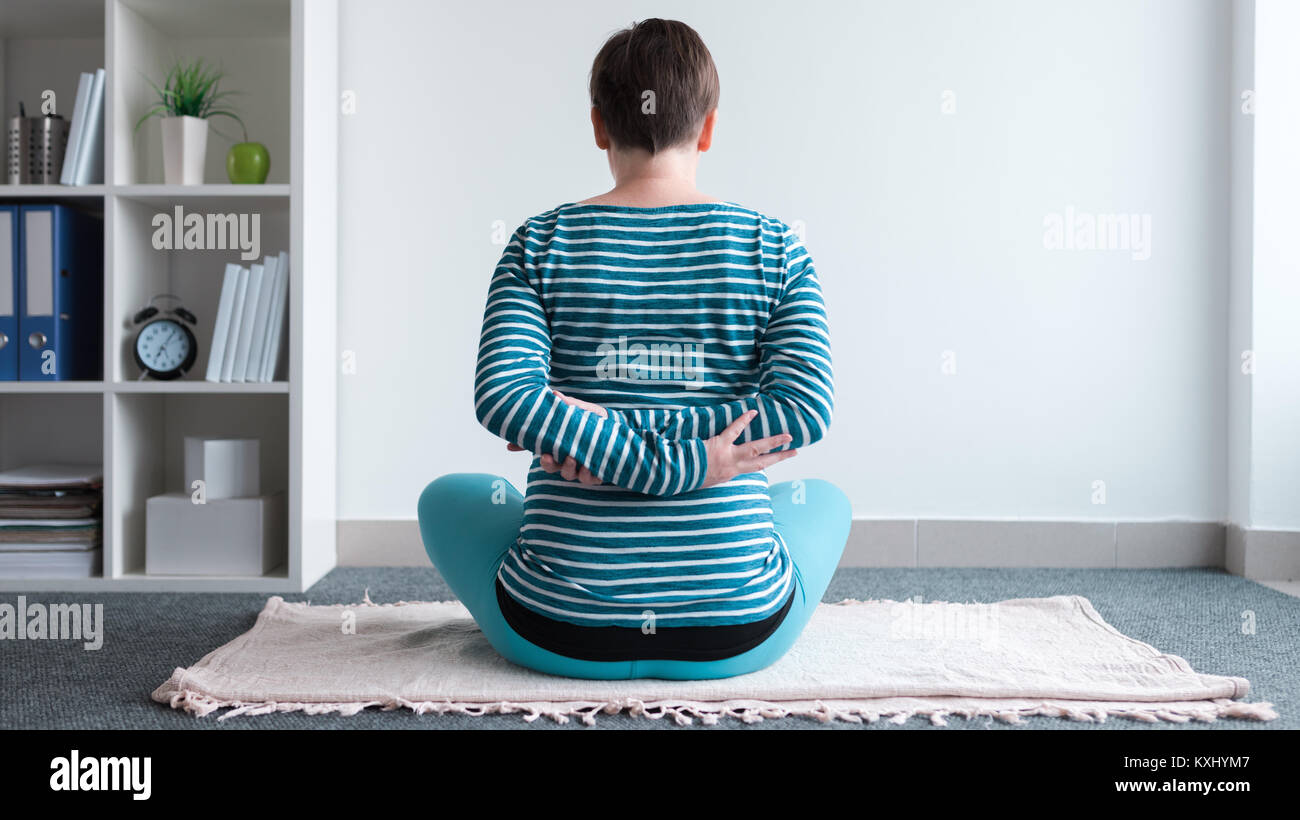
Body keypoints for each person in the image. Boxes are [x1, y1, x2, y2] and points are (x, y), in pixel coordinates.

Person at [419, 18, 849, 680]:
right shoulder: (777, 248)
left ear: (598, 125)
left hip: (556, 628)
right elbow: (804, 408)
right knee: (824, 501)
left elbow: (506, 398)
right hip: (735, 631)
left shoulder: (541, 241)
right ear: (707, 128)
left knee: (448, 497)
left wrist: (599, 437)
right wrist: (702, 462)